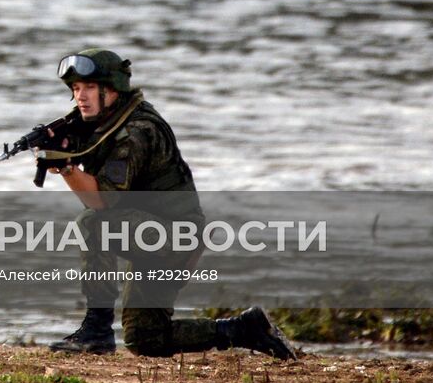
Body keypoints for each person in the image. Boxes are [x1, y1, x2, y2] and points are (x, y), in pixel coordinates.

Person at [41, 48, 297, 360]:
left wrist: (66, 166)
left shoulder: (136, 131)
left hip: (175, 236)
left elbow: (101, 200)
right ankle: (244, 329)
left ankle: (96, 330)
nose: (81, 96)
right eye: (76, 89)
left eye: (90, 87)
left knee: (92, 223)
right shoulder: (104, 124)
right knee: (147, 338)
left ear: (112, 90)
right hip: (156, 232)